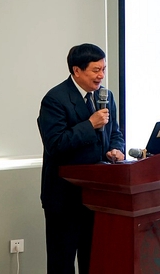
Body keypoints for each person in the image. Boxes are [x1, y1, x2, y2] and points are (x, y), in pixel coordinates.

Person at [37, 43, 125, 274]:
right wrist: (89, 125)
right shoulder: (55, 99)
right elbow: (55, 144)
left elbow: (115, 133)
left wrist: (116, 149)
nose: (101, 75)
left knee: (94, 261)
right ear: (77, 70)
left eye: (103, 69)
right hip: (64, 198)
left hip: (97, 196)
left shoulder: (106, 97)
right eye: (96, 70)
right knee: (62, 264)